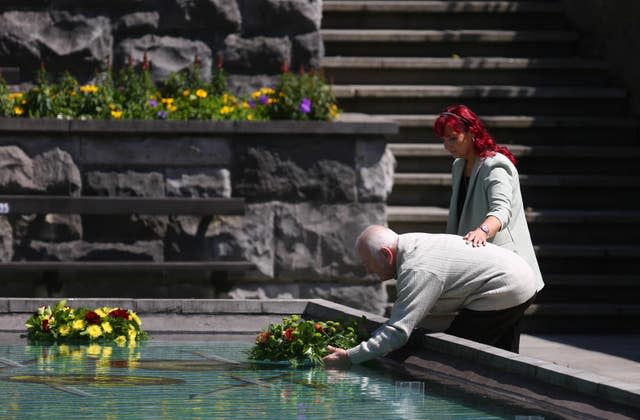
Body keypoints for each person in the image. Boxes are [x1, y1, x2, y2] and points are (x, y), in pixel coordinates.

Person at [323, 225, 543, 369]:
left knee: (457, 355)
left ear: (386, 254)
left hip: (508, 287)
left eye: (367, 263)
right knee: (503, 357)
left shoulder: (417, 268)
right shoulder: (409, 243)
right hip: (517, 277)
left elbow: (399, 332)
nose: (368, 270)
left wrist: (350, 356)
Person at [433, 104, 543, 287]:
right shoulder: (458, 165)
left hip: (509, 269)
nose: (447, 146)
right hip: (477, 264)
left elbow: (501, 210)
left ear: (472, 132)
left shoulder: (495, 165)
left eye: (452, 138)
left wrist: (482, 231)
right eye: (443, 140)